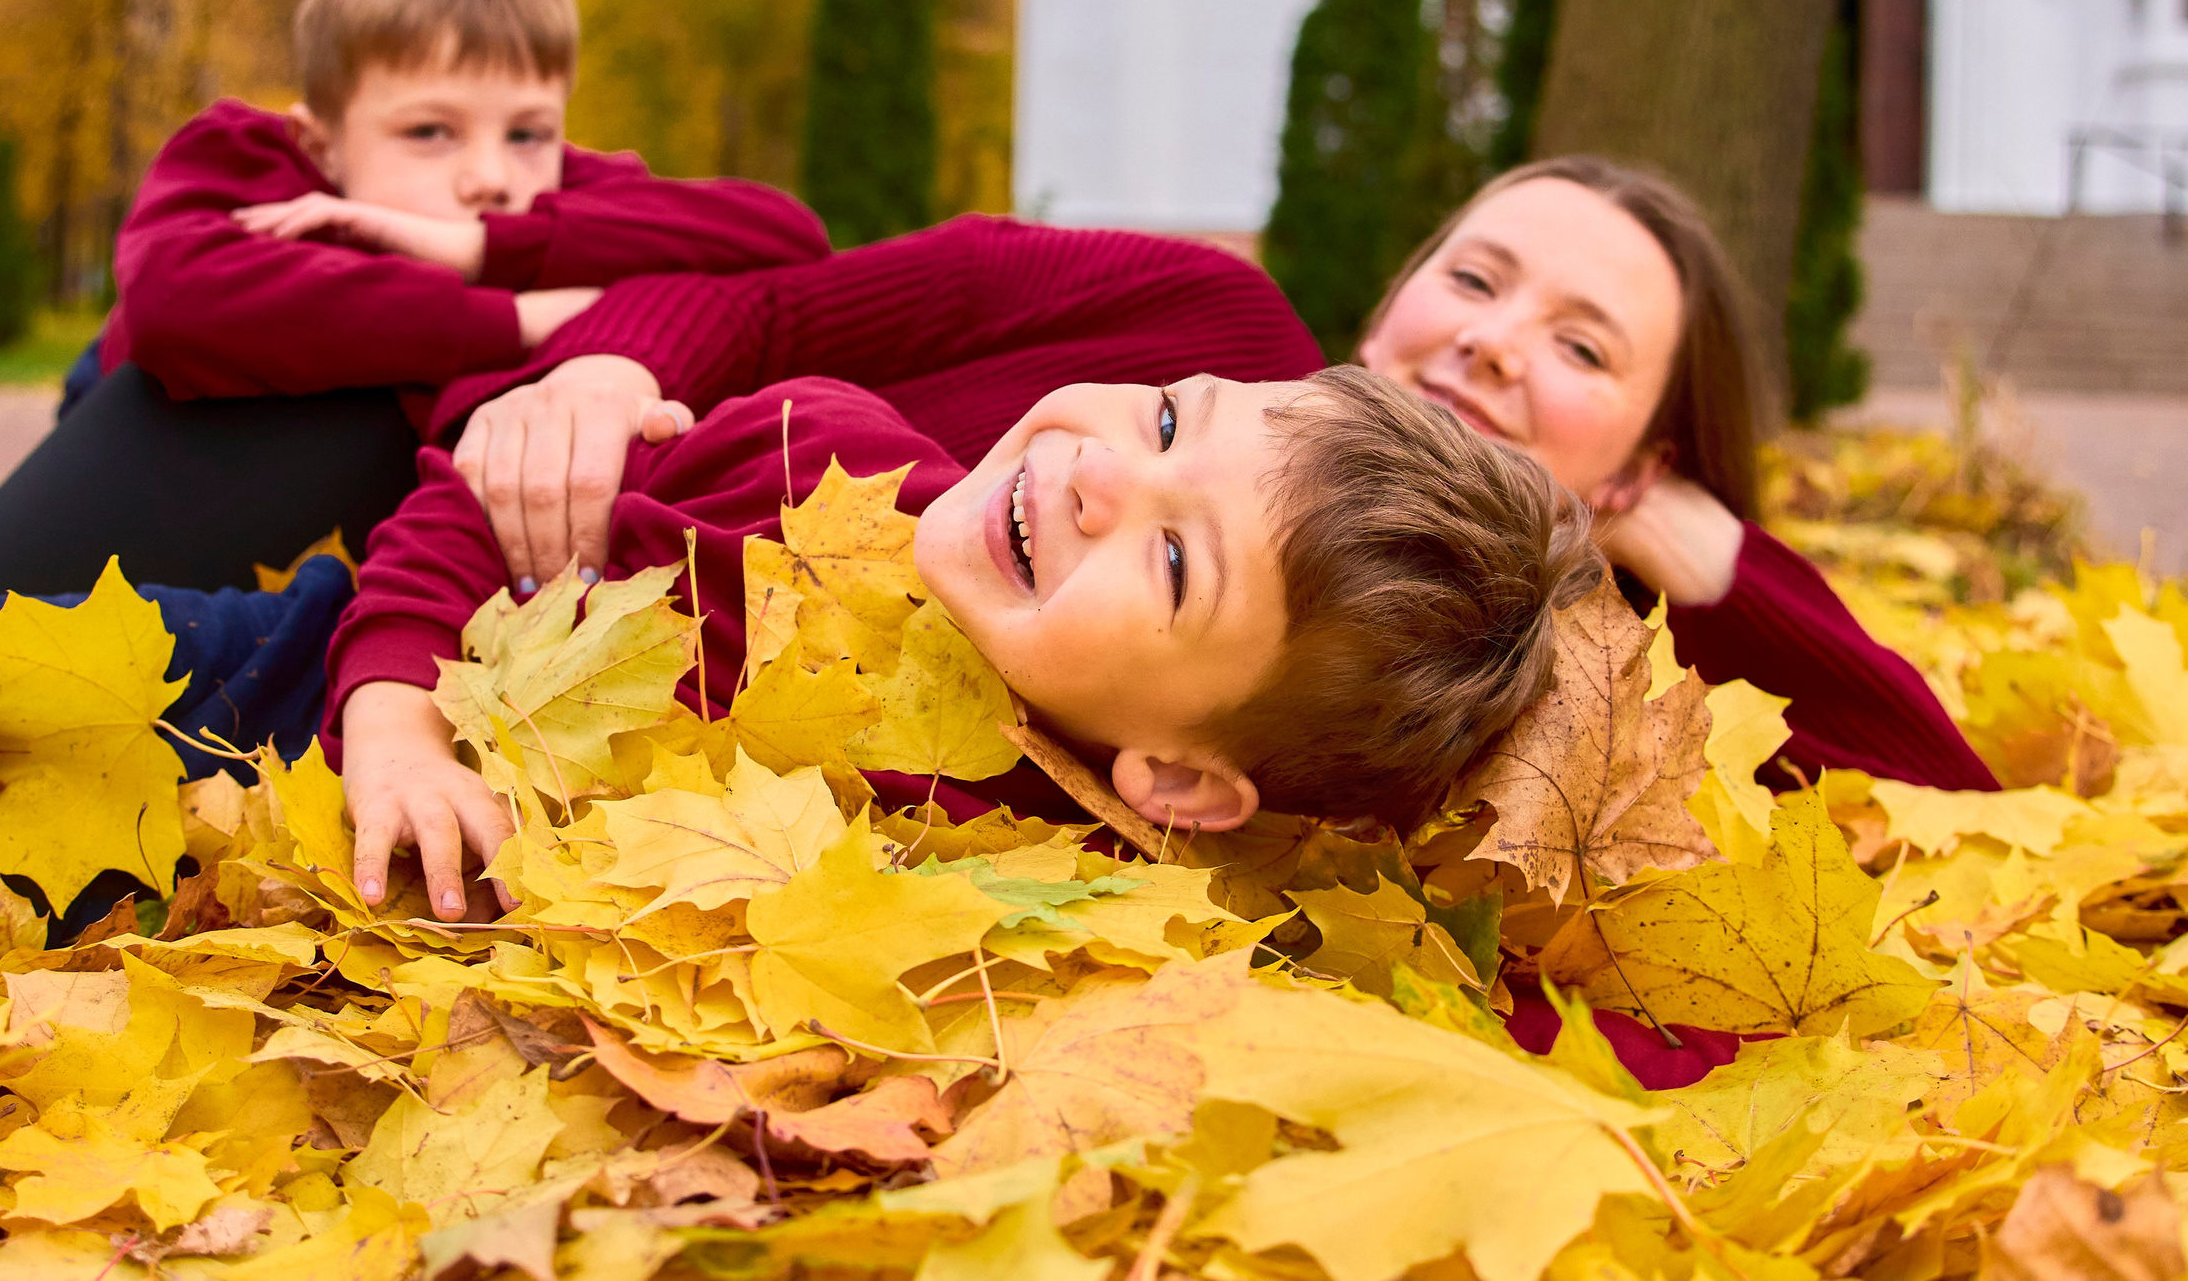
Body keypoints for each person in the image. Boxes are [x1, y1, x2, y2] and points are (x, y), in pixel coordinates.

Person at [330, 217, 1602, 921]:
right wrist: (393, 721)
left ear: (1174, 776)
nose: (1105, 474)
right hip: (313, 683)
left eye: (1170, 560)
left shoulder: (1057, 886)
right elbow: (460, 521)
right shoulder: (819, 458)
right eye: (1163, 420)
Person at [0, 0, 825, 600]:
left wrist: (473, 248)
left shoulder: (535, 201)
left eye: (528, 132)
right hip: (152, 455)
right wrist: (519, 313)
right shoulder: (251, 162)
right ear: (323, 143)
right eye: (430, 132)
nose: (490, 175)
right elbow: (182, 302)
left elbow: (785, 237)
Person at [1352, 156, 1996, 794]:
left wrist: (1717, 571)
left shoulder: (1615, 726)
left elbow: (1955, 813)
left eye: (1581, 348)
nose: (1493, 341)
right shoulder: (1249, 407)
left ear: (1635, 471)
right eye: (1472, 280)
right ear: (1383, 317)